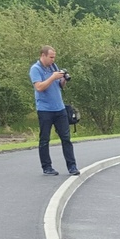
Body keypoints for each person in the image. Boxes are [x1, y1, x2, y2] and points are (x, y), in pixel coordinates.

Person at [30, 46, 79, 176]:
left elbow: (58, 85)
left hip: (59, 108)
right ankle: (47, 167)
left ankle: (72, 166)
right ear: (43, 55)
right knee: (45, 138)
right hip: (45, 109)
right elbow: (39, 87)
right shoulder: (35, 69)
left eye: (54, 57)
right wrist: (52, 77)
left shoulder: (53, 66)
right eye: (51, 57)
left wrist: (63, 79)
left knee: (66, 138)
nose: (53, 60)